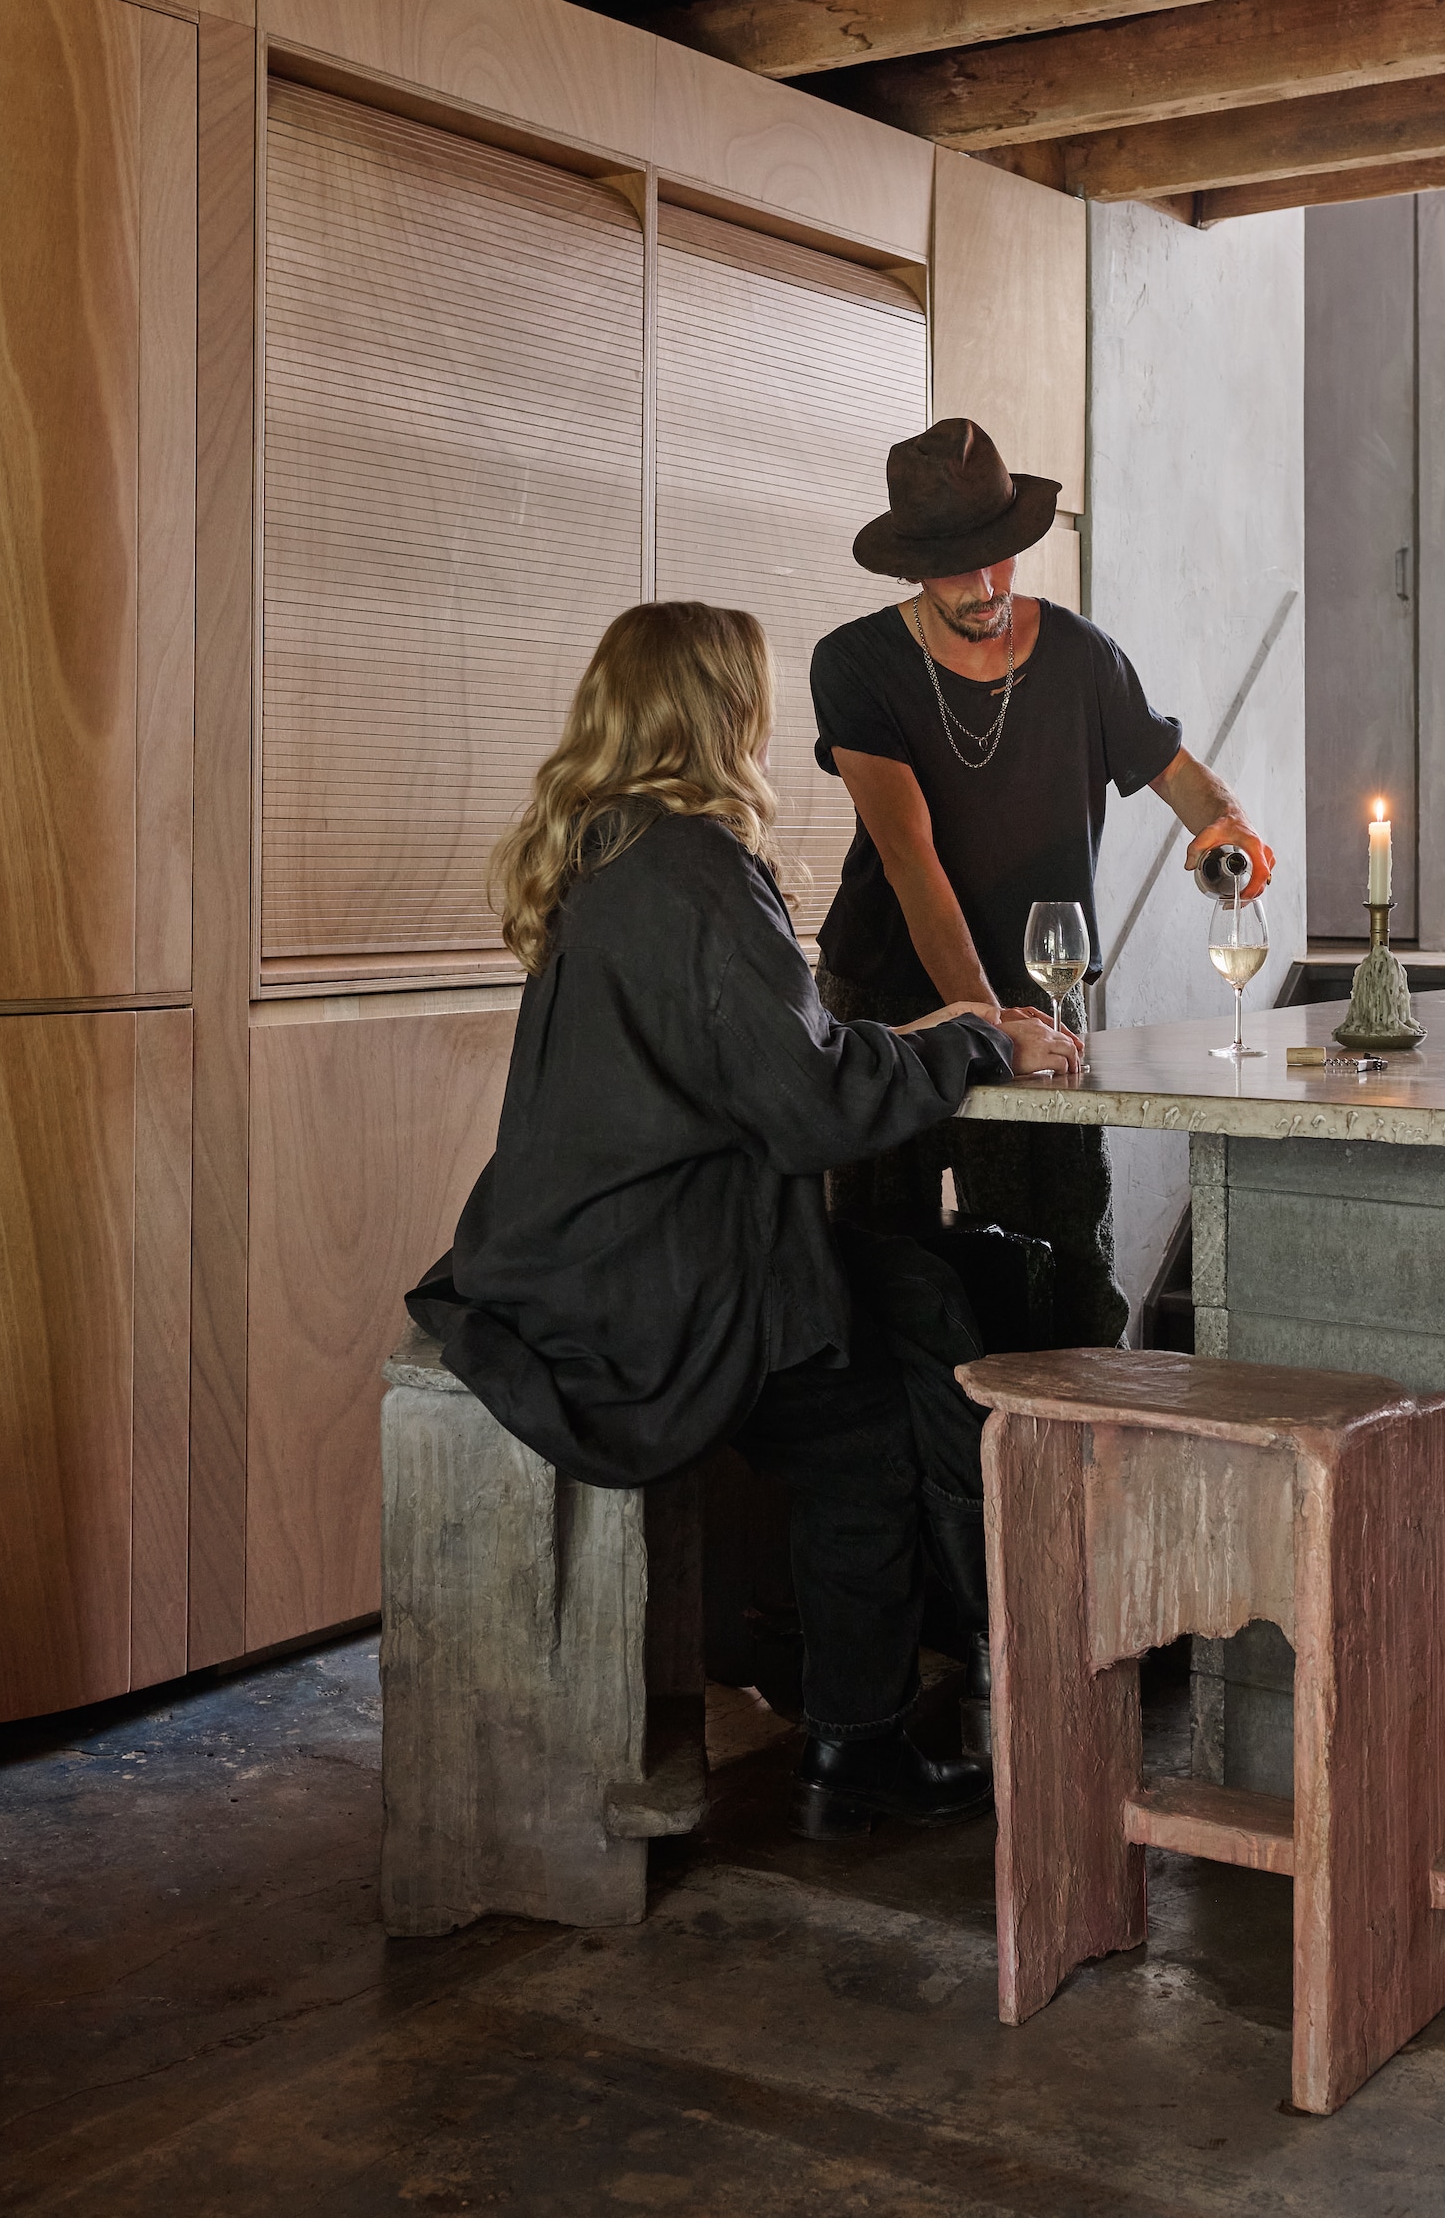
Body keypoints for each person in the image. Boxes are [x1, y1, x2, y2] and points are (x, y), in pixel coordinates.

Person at [407, 601, 1082, 1836]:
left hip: (573, 1254)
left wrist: (931, 1032)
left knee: (911, 1295)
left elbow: (764, 1058)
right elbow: (810, 1107)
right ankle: (868, 1741)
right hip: (646, 1290)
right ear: (724, 712)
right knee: (868, 1407)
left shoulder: (604, 848)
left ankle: (921, 1673)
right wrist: (981, 1043)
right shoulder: (699, 871)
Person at [811, 418, 1274, 1344]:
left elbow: (1181, 776)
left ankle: (1068, 1431)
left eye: (1000, 559)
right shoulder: (855, 663)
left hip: (1045, 990)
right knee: (874, 1271)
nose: (986, 588)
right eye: (958, 570)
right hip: (890, 1007)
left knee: (1067, 1274)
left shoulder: (1079, 654)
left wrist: (1226, 825)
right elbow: (910, 861)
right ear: (915, 567)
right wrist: (986, 1030)